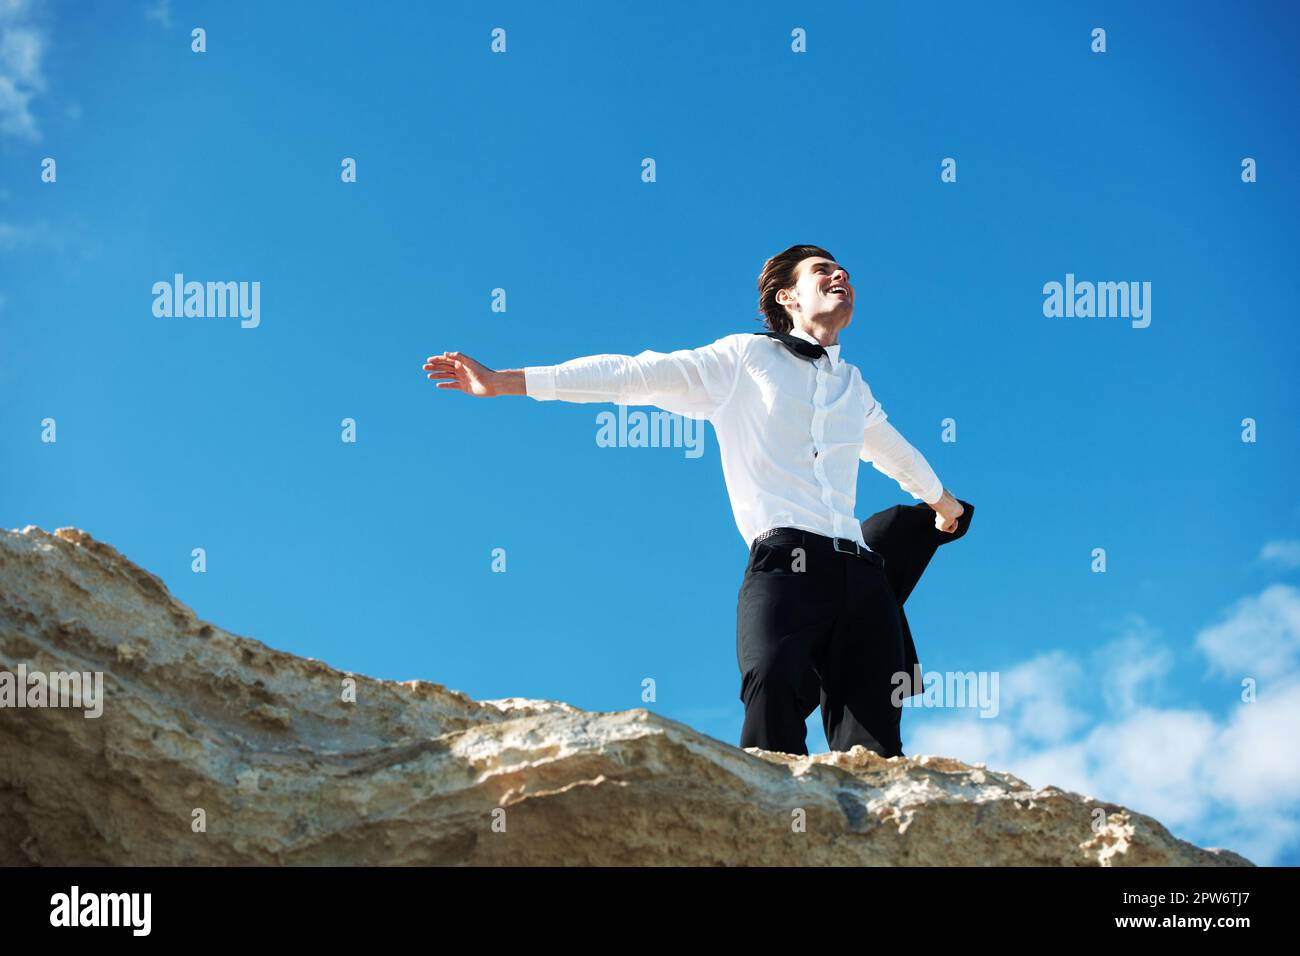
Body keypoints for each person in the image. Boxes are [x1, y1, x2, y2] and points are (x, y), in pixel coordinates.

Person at [422, 244, 965, 757]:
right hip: (786, 564)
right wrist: (506, 381)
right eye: (822, 270)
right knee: (771, 689)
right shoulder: (743, 359)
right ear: (788, 297)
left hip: (862, 579)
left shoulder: (854, 386)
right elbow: (631, 376)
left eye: (843, 269)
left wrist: (944, 506)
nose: (840, 275)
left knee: (874, 742)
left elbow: (896, 454)